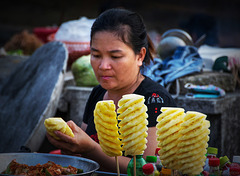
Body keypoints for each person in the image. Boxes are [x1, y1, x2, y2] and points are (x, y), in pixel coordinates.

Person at [46, 8, 176, 174]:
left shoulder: (155, 100)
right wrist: (69, 145)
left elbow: (147, 170)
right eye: (96, 55)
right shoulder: (97, 94)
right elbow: (84, 158)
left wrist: (91, 148)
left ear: (140, 56)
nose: (103, 66)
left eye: (115, 57)